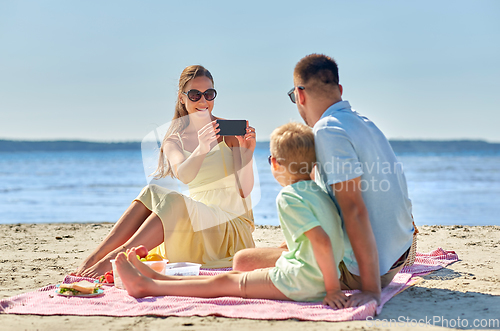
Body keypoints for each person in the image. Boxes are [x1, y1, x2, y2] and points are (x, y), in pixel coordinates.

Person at [234, 54, 415, 307]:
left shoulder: (327, 130)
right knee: (276, 252)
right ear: (339, 90)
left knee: (244, 261)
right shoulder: (365, 123)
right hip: (399, 254)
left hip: (369, 271)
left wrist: (372, 290)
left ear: (300, 94)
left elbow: (354, 209)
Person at [114, 122, 348, 308]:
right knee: (236, 270)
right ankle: (160, 280)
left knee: (224, 282)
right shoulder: (319, 192)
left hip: (301, 282)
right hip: (308, 274)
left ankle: (149, 286)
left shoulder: (289, 197)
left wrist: (332, 290)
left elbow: (322, 242)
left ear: (275, 164)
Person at [74, 65, 256, 278]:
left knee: (175, 201)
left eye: (209, 94)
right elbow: (184, 175)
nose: (203, 101)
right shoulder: (174, 139)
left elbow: (244, 191)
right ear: (182, 98)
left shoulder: (229, 133)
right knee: (151, 191)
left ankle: (116, 259)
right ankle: (95, 258)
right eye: (195, 95)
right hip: (196, 224)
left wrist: (248, 153)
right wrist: (201, 148)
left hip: (229, 226)